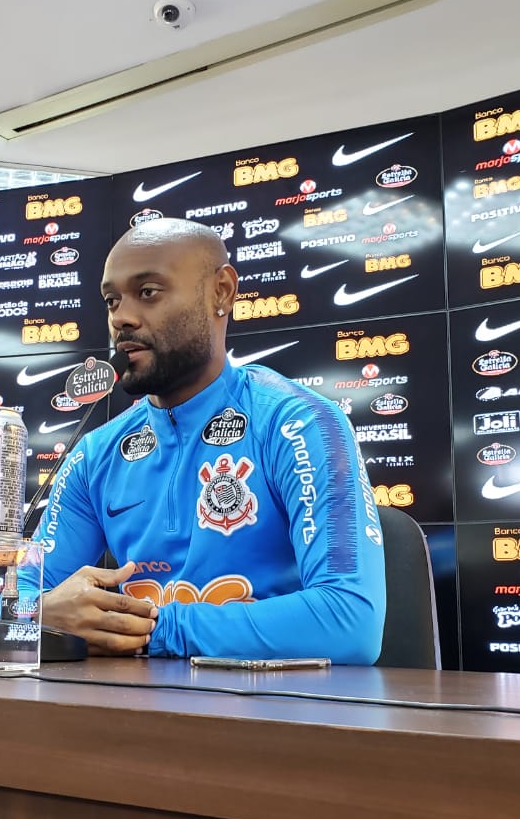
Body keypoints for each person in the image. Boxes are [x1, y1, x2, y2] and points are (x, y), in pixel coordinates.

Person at [29, 218, 386, 661]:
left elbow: (351, 620)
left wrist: (145, 629)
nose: (121, 317)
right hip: (124, 717)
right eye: (111, 300)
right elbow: (21, 597)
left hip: (274, 719)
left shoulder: (298, 422)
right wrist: (42, 612)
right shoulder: (96, 451)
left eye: (148, 292)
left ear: (221, 292)